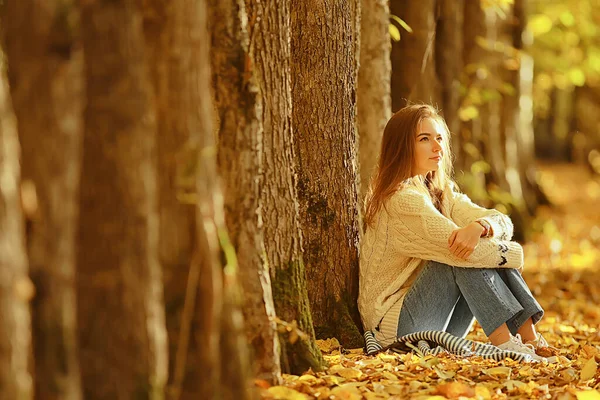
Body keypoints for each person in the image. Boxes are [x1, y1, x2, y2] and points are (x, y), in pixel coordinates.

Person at [358, 104, 556, 361]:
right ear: (402, 146)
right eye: (424, 139)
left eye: (439, 138)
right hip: (395, 330)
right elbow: (461, 250)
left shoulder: (440, 191)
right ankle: (508, 343)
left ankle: (529, 340)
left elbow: (501, 221)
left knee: (474, 244)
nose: (437, 147)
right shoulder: (401, 200)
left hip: (435, 321)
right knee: (461, 253)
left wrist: (481, 227)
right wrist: (515, 253)